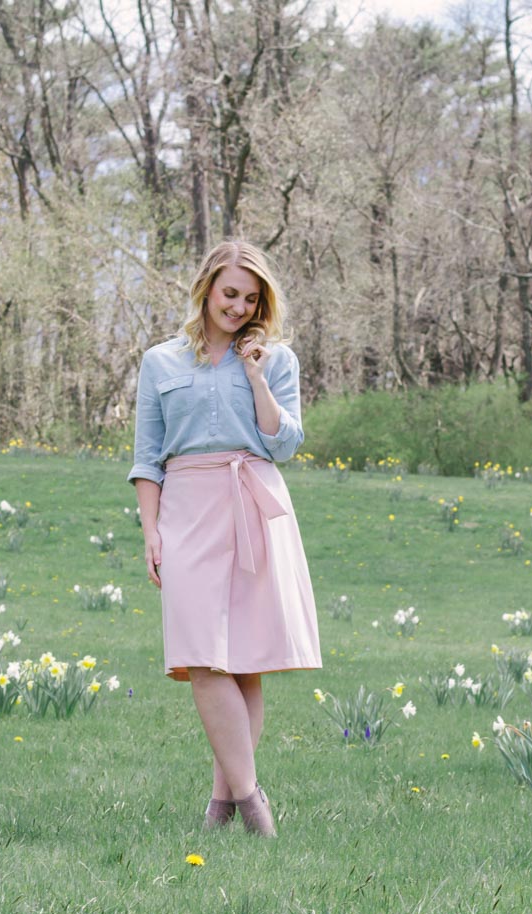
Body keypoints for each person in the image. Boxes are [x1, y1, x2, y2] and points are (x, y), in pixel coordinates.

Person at [127, 241, 322, 837]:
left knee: (246, 662)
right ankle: (253, 801)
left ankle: (220, 807)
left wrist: (257, 375)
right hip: (185, 511)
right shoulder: (160, 362)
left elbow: (284, 445)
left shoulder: (276, 359)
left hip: (253, 504)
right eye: (229, 293)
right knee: (200, 655)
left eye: (250, 298)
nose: (238, 307)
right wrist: (151, 530)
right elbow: (146, 458)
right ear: (207, 288)